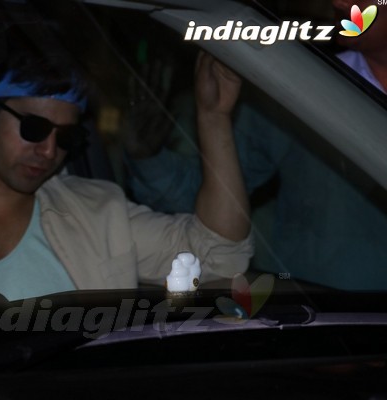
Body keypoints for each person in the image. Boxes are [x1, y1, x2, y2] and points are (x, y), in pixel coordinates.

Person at [0, 47, 252, 301]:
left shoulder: (98, 212)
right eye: (34, 129)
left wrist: (213, 118)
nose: (50, 150)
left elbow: (220, 254)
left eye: (67, 136)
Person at [123, 3, 387, 291]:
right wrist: (149, 158)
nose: (339, 3)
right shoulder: (307, 93)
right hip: (332, 318)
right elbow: (217, 206)